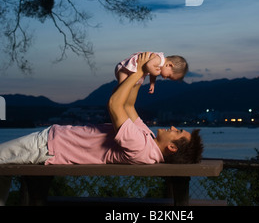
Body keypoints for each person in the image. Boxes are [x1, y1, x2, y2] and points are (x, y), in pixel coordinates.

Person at [0, 53, 203, 205]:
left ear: (172, 148)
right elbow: (128, 107)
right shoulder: (148, 140)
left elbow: (115, 104)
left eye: (177, 132)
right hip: (53, 141)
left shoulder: (140, 145)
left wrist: (140, 71)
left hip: (50, 145)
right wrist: (137, 77)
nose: (174, 127)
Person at [115, 51, 188, 93]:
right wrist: (155, 72)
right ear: (169, 65)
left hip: (132, 71)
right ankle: (114, 97)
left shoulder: (158, 66)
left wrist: (152, 84)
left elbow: (152, 74)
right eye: (168, 76)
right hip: (125, 68)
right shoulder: (159, 59)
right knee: (122, 87)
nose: (165, 78)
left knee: (126, 89)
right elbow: (148, 65)